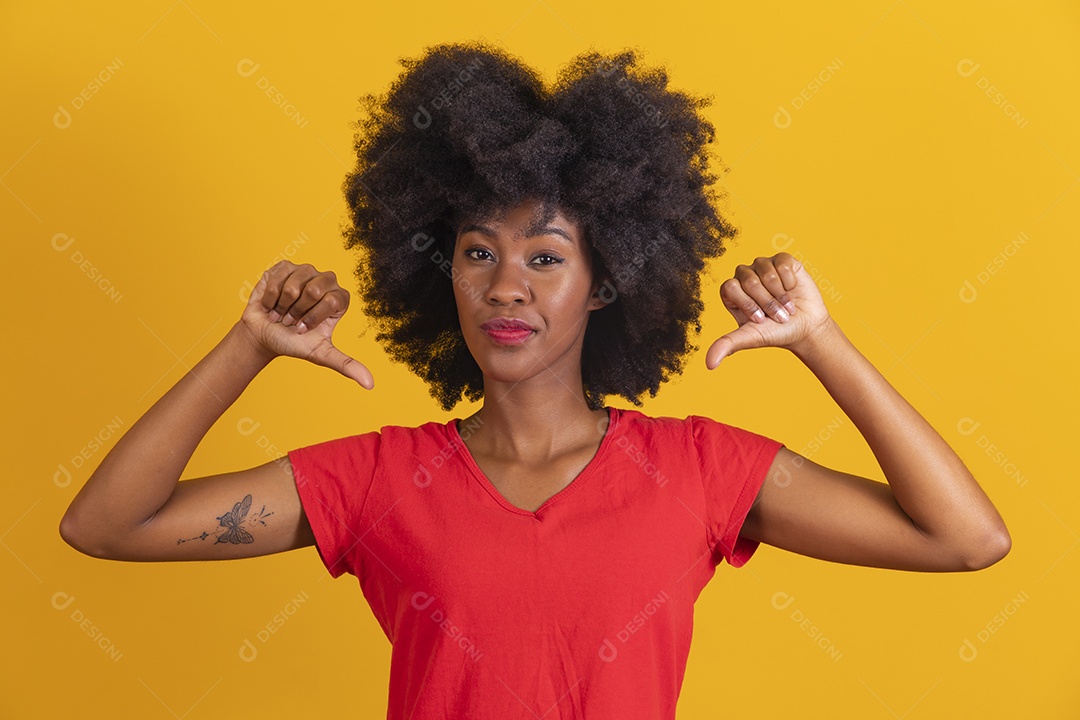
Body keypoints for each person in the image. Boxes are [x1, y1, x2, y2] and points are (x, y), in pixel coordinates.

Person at [59, 41, 1010, 719]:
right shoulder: (377, 482)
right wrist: (248, 347)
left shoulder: (701, 470)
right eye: (478, 252)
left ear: (610, 283)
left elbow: (965, 540)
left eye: (547, 257)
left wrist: (820, 341)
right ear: (444, 273)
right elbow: (106, 526)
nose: (506, 284)